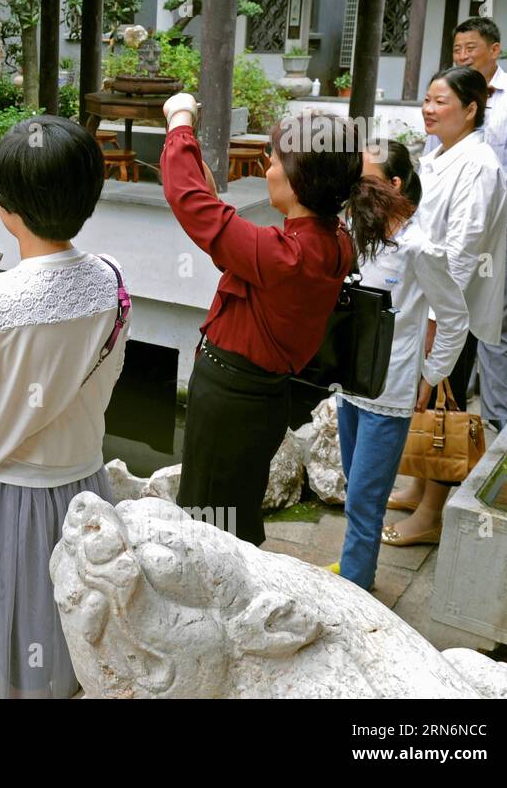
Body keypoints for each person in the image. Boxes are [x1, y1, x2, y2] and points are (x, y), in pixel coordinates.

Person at [161, 96, 405, 547]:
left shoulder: (285, 256)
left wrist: (179, 121)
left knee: (207, 522)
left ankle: (216, 602)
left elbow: (187, 201)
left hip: (230, 400)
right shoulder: (333, 241)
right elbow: (225, 233)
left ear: (297, 181)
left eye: (273, 160)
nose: (267, 168)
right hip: (262, 399)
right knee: (232, 508)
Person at [0, 114, 127, 699]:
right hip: (85, 485)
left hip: (6, 493)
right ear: (89, 198)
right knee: (71, 625)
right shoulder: (112, 283)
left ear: (5, 207)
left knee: (10, 621)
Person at [333, 140, 469, 589]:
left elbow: (454, 318)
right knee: (355, 487)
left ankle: (356, 588)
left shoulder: (419, 248)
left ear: (393, 184)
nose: (354, 183)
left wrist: (430, 375)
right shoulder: (357, 231)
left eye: (364, 175)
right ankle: (354, 569)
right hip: (350, 383)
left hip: (389, 391)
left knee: (365, 501)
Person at [385, 66, 506, 546]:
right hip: (428, 305)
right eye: (427, 100)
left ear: (471, 108)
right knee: (427, 402)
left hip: (453, 311)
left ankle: (432, 512)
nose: (428, 109)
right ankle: (417, 485)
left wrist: (439, 322)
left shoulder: (478, 165)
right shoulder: (439, 156)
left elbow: (462, 248)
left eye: (440, 101)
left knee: (446, 404)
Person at [421, 18, 507, 431]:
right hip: (448, 233)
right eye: (458, 47)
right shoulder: (443, 124)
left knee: (491, 313)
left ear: (495, 49)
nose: (463, 53)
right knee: (461, 319)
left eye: (471, 47)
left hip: (506, 210)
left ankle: (496, 415)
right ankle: (454, 409)